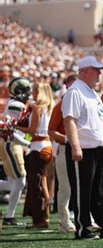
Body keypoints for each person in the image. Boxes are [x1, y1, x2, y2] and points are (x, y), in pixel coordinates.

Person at [62, 55, 103, 240]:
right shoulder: (75, 91)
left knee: (101, 188)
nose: (99, 74)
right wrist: (75, 147)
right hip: (84, 148)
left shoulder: (90, 92)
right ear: (85, 71)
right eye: (96, 70)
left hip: (99, 148)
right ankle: (83, 228)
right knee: (83, 190)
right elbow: (69, 119)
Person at [17, 82, 55, 228]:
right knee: (42, 182)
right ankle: (43, 216)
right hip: (47, 146)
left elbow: (32, 130)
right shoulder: (49, 107)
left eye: (34, 90)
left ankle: (40, 219)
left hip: (38, 147)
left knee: (36, 184)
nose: (32, 93)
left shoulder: (37, 108)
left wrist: (15, 126)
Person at [0, 77, 31, 226]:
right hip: (11, 144)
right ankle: (9, 216)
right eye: (26, 90)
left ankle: (9, 216)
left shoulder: (15, 104)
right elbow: (9, 130)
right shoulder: (17, 105)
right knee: (20, 181)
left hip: (11, 144)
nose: (29, 93)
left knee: (14, 181)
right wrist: (27, 143)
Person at [48, 74, 77, 233]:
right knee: (65, 187)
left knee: (81, 186)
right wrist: (69, 139)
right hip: (64, 147)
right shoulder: (60, 106)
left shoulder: (83, 104)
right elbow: (51, 131)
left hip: (82, 147)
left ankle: (85, 218)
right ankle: (64, 220)